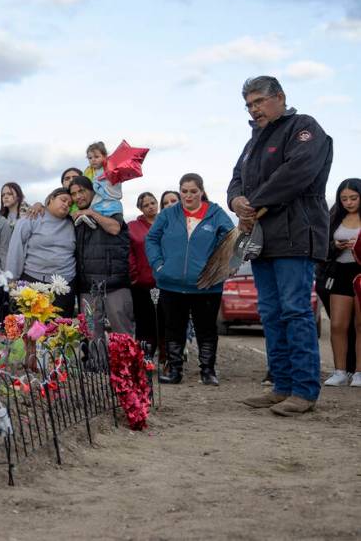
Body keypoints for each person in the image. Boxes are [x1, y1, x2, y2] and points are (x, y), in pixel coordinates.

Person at [230, 76, 333, 416]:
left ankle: (304, 390)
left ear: (280, 97)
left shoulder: (304, 128)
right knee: (271, 313)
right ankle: (282, 386)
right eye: (249, 104)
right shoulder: (252, 141)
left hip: (296, 237)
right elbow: (235, 179)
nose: (253, 109)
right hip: (263, 240)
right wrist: (236, 201)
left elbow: (296, 173)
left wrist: (254, 201)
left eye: (259, 101)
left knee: (294, 310)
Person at [146, 174, 234, 386]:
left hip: (206, 286)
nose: (188, 195)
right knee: (173, 328)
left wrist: (226, 267)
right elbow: (152, 239)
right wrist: (159, 266)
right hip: (171, 284)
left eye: (193, 191)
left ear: (201, 192)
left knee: (206, 329)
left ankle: (208, 371)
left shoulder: (216, 214)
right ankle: (175, 370)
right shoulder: (168, 214)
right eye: (184, 191)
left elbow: (233, 239)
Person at [68, 176, 134, 337]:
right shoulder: (75, 217)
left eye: (82, 191)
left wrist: (92, 213)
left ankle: (128, 363)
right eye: (74, 193)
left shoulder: (109, 208)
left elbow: (114, 229)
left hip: (115, 286)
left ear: (93, 191)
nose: (78, 197)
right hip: (88, 290)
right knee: (92, 334)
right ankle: (97, 363)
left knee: (123, 335)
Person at [5, 187, 77, 316]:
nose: (66, 205)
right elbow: (16, 249)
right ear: (50, 199)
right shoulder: (32, 217)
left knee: (61, 331)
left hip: (65, 285)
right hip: (33, 282)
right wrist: (12, 280)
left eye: (70, 204)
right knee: (33, 332)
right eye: (63, 200)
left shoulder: (73, 223)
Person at [318, 178, 361, 387]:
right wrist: (336, 245)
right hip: (340, 273)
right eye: (344, 199)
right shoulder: (334, 217)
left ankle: (359, 373)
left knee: (360, 325)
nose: (349, 202)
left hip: (360, 274)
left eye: (353, 198)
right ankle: (340, 371)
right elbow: (324, 246)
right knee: (337, 324)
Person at [129, 192, 160, 354]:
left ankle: (167, 358)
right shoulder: (133, 226)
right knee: (144, 322)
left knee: (165, 321)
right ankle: (144, 357)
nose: (150, 207)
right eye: (146, 205)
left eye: (152, 203)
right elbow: (129, 252)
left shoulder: (166, 223)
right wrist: (134, 275)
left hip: (166, 282)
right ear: (140, 208)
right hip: (141, 283)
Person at [84, 141, 122, 219]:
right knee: (94, 209)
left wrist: (98, 183)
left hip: (110, 198)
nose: (93, 160)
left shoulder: (111, 168)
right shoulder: (88, 172)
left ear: (104, 156)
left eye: (96, 157)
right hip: (97, 198)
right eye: (90, 158)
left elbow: (114, 184)